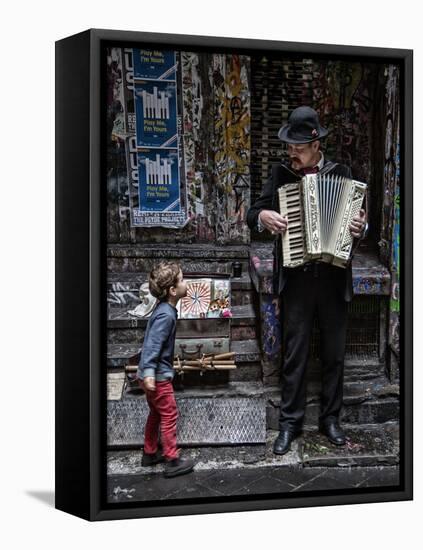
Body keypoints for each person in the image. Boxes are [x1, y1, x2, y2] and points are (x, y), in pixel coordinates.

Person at [246, 106, 368, 455]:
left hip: (333, 278)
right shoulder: (281, 175)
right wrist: (264, 216)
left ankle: (331, 420)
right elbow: (254, 213)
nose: (291, 153)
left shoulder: (342, 173)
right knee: (295, 354)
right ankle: (289, 424)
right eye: (289, 146)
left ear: (315, 143)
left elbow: (357, 224)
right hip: (297, 279)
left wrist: (361, 228)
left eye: (297, 146)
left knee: (334, 355)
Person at [137, 260, 196, 477]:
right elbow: (152, 344)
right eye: (182, 279)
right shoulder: (166, 314)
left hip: (149, 375)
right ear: (173, 290)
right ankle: (172, 460)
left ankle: (150, 452)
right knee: (169, 413)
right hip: (157, 377)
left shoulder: (165, 309)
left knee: (156, 412)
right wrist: (151, 373)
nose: (185, 282)